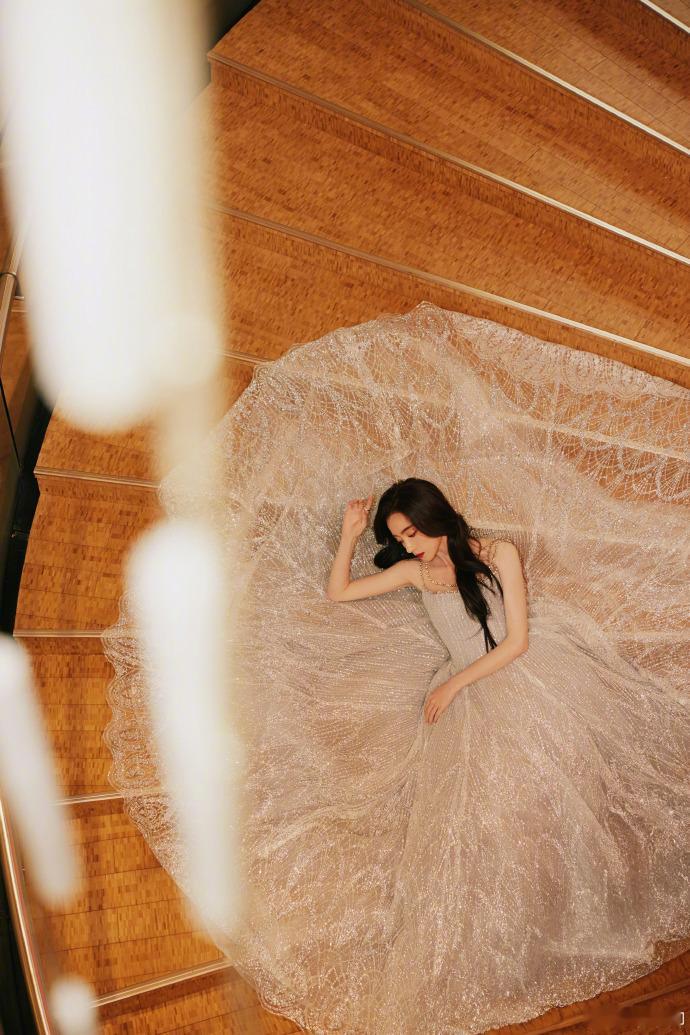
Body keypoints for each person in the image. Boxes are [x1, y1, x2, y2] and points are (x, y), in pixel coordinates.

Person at [102, 302, 690, 1034]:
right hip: (467, 687)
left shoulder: (499, 554)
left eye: (411, 531)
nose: (409, 545)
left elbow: (515, 644)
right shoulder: (416, 572)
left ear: (437, 516)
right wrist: (352, 534)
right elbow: (339, 593)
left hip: (521, 677)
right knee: (476, 816)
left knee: (569, 781)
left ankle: (589, 879)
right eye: (400, 537)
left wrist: (453, 684)